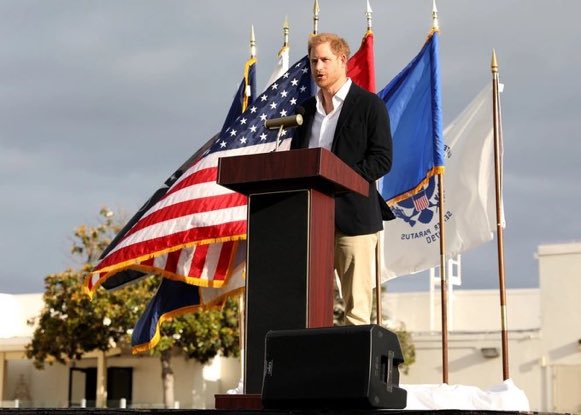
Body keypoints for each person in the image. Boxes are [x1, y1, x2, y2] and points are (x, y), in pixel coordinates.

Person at [291, 33, 394, 325]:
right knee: (309, 308)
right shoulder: (305, 111)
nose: (318, 67)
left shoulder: (369, 106)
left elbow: (382, 159)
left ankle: (354, 371)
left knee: (356, 312)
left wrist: (340, 178)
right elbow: (297, 161)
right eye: (313, 61)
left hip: (354, 222)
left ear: (342, 60)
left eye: (324, 60)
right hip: (312, 222)